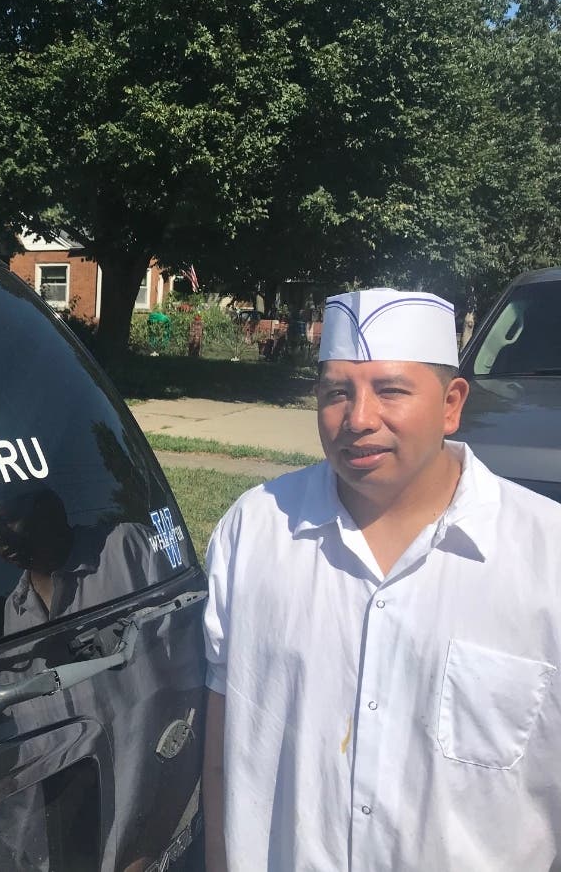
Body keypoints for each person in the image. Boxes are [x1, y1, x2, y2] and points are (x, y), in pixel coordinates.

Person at [202, 288, 561, 871]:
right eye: (336, 392)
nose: (359, 419)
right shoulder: (257, 530)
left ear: (451, 404)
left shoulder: (546, 558)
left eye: (391, 390)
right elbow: (222, 746)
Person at [0, 483, 201, 872]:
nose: (0, 540)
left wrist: (150, 849)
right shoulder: (15, 611)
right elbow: (36, 754)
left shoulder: (126, 552)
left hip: (161, 846)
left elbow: (192, 699)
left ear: (50, 506)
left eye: (9, 520)